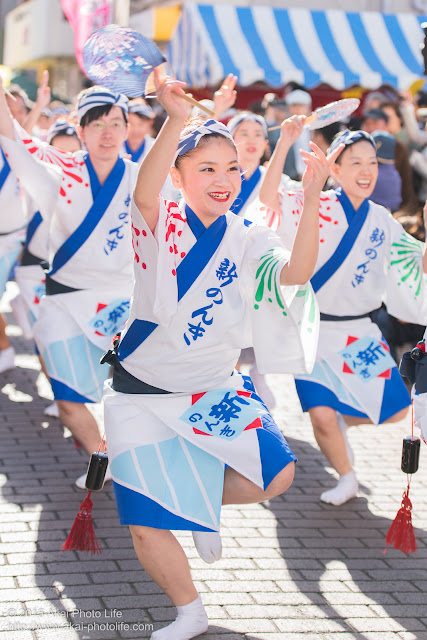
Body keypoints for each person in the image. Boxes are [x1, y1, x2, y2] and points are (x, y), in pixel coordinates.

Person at [102, 73, 339, 640]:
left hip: (212, 386)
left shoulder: (248, 234)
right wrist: (177, 119)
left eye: (231, 168)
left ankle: (196, 505)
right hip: (140, 390)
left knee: (278, 476)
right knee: (143, 522)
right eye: (205, 169)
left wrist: (308, 201)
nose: (223, 179)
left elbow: (297, 273)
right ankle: (190, 610)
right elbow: (142, 191)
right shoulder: (159, 222)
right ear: (179, 177)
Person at [259, 126, 427, 507]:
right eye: (355, 162)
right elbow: (268, 197)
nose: (366, 170)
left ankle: (339, 423)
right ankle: (347, 477)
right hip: (311, 331)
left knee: (397, 410)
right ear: (334, 169)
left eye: (372, 162)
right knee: (320, 414)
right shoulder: (313, 201)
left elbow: (418, 264)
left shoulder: (382, 219)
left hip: (358, 332)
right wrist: (284, 142)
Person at [0, 80, 139, 483]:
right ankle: (104, 461)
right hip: (63, 301)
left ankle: (132, 460)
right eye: (96, 124)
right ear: (79, 130)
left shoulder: (143, 176)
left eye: (116, 122)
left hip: (123, 304)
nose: (108, 132)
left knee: (132, 397)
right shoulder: (58, 171)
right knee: (66, 399)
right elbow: (12, 137)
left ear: (128, 127)